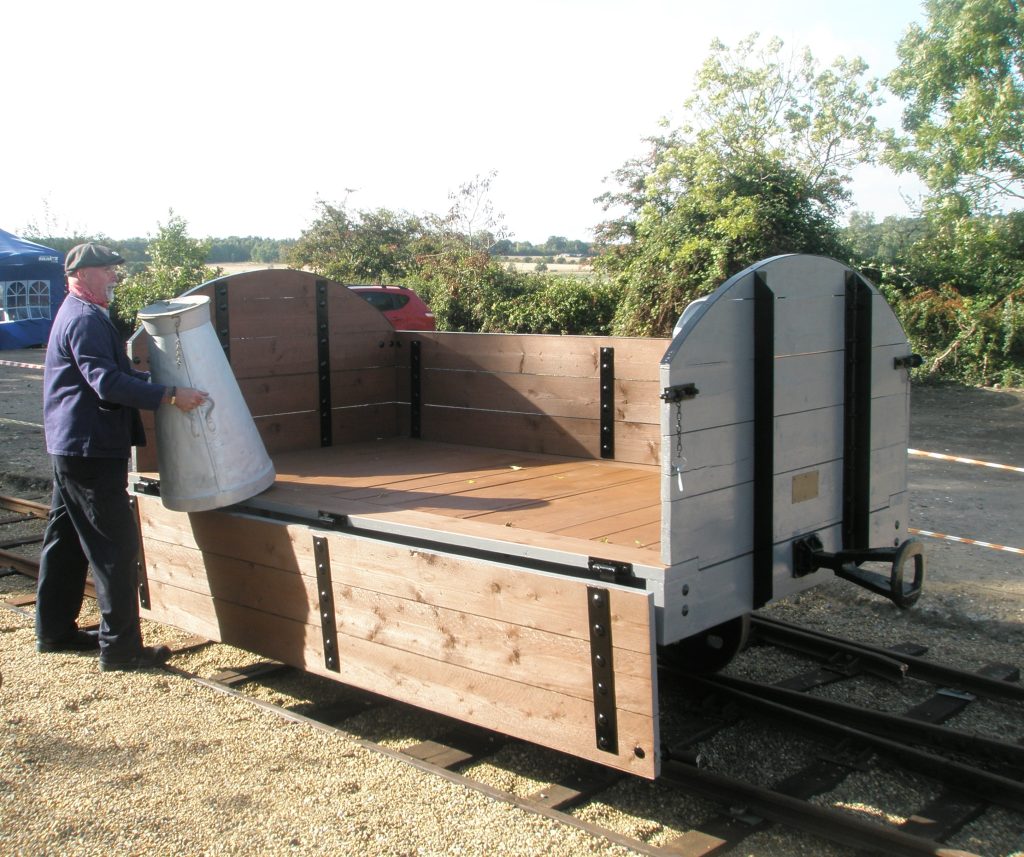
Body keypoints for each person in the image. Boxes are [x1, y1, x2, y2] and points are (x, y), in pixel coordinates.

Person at [36, 242, 207, 671]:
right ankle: (121, 649)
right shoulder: (85, 319)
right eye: (108, 269)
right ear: (82, 274)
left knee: (66, 541)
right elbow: (106, 383)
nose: (115, 276)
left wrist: (155, 382)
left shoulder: (79, 313)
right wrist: (169, 395)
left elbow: (113, 374)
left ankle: (53, 631)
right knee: (115, 546)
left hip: (73, 445)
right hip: (91, 449)